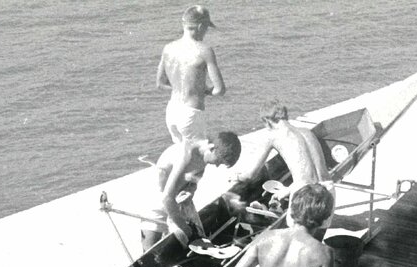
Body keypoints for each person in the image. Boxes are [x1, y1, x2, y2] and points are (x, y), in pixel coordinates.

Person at [142, 131, 242, 250]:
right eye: (218, 161)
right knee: (150, 252)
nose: (216, 166)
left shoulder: (203, 154)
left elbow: (193, 180)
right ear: (211, 148)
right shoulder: (184, 156)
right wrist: (183, 227)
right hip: (157, 202)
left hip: (177, 202)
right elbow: (166, 198)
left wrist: (190, 191)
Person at [234, 101, 331, 202]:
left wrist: (237, 176)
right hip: (329, 190)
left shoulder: (273, 137)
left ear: (267, 121)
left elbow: (250, 175)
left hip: (307, 195)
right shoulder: (307, 132)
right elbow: (312, 177)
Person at [155, 5, 225, 144]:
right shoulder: (204, 50)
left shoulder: (168, 48)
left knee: (182, 153)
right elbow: (220, 90)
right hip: (191, 115)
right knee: (198, 159)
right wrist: (203, 91)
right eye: (206, 28)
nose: (206, 32)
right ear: (200, 26)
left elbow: (160, 84)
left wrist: (181, 88)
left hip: (172, 112)